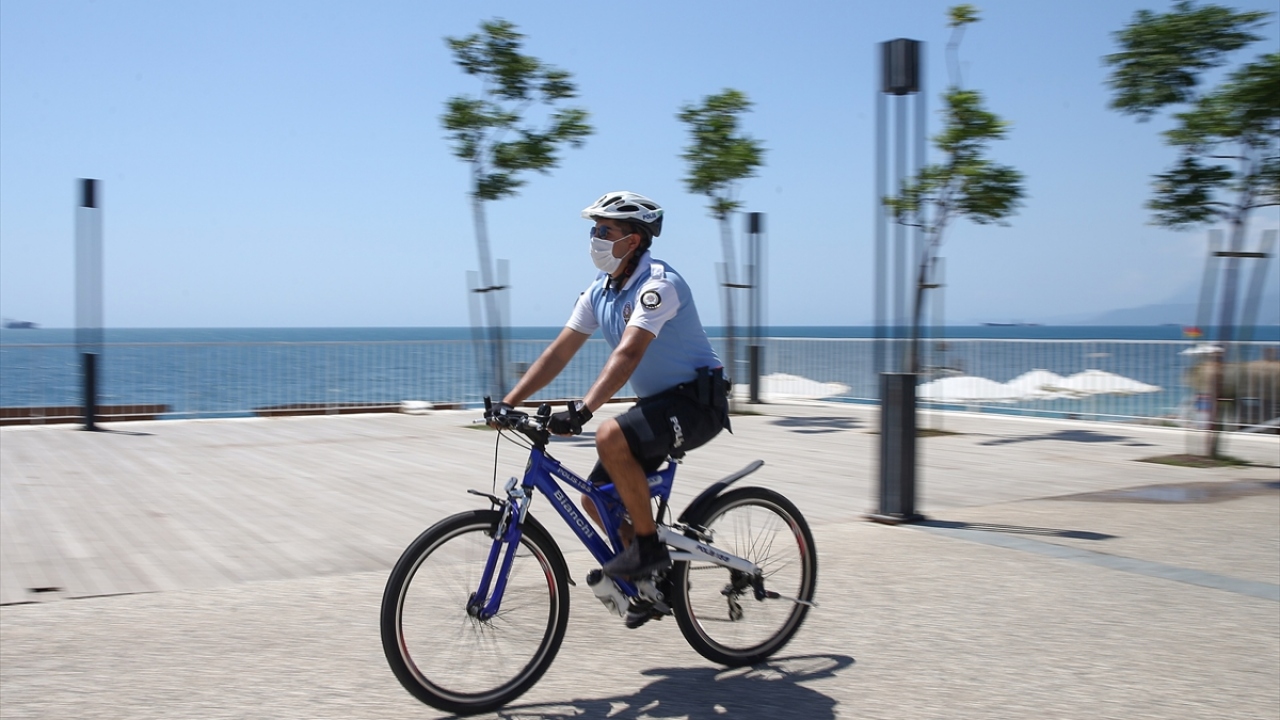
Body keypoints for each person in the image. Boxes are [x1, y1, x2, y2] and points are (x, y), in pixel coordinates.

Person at [487, 191, 730, 580]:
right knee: (596, 499)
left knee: (609, 435)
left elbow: (628, 354)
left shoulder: (659, 285)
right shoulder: (599, 292)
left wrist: (583, 410)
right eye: (594, 230)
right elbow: (558, 352)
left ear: (632, 241)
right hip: (659, 404)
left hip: (698, 404)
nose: (595, 238)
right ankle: (651, 584)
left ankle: (648, 549)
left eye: (605, 231)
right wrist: (510, 402)